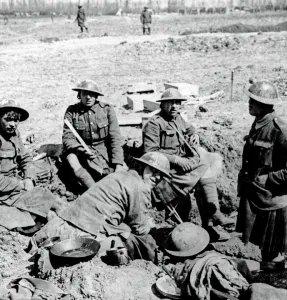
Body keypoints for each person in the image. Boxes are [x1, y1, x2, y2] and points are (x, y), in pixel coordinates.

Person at [31, 152, 171, 264]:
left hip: (62, 223)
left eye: (161, 175)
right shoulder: (141, 188)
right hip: (84, 234)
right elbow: (140, 228)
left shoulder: (120, 174)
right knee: (141, 241)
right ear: (142, 167)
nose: (156, 177)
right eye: (152, 171)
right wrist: (148, 224)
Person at [143, 88, 234, 241]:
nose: (174, 107)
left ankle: (210, 224)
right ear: (162, 105)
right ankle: (212, 220)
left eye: (177, 103)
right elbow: (149, 152)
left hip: (182, 166)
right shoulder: (154, 124)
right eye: (170, 103)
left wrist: (195, 136)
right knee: (204, 168)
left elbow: (191, 129)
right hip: (166, 170)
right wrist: (176, 160)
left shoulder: (178, 118)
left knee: (203, 174)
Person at [236, 80, 287, 263]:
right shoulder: (259, 123)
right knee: (264, 249)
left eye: (253, 101)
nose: (249, 103)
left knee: (274, 254)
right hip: (257, 196)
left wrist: (271, 178)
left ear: (264, 105)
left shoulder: (280, 129)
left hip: (274, 201)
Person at [0, 100, 62, 233]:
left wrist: (29, 177)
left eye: (16, 120)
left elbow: (26, 158)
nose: (13, 124)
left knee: (57, 204)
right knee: (49, 213)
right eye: (8, 119)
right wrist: (21, 184)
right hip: (4, 195)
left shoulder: (14, 134)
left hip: (16, 189)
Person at [62, 79, 124, 190]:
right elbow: (67, 137)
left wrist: (118, 164)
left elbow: (115, 137)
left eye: (91, 94)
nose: (88, 97)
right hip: (80, 151)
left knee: (116, 175)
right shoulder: (72, 111)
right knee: (71, 159)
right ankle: (93, 190)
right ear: (79, 95)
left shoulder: (107, 110)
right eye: (85, 94)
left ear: (96, 96)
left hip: (103, 150)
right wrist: (80, 149)